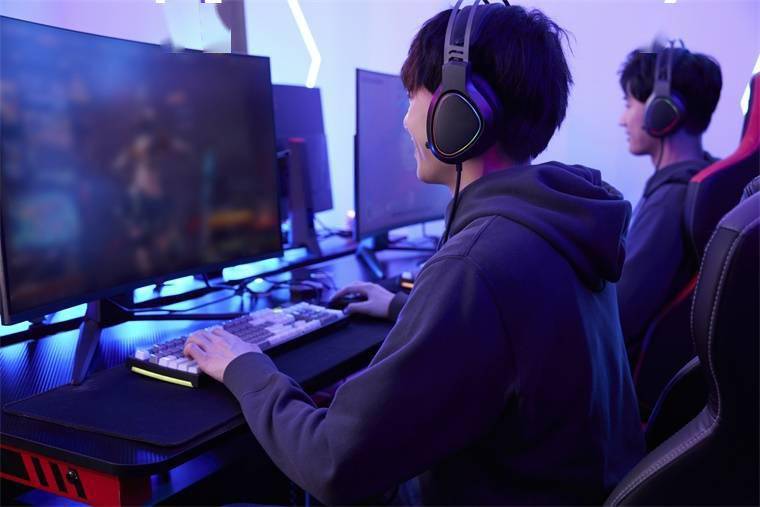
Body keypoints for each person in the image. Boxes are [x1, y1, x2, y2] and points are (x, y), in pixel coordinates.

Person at [183, 3, 644, 504]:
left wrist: (245, 367)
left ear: (460, 112)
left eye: (412, 97)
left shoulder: (477, 265)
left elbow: (330, 461)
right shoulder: (560, 221)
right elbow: (516, 338)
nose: (405, 121)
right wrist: (407, 309)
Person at [616, 42, 722, 364]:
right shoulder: (713, 181)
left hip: (635, 380)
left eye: (628, 104)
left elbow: (619, 314)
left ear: (662, 111)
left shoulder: (669, 200)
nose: (622, 119)